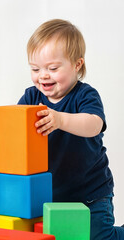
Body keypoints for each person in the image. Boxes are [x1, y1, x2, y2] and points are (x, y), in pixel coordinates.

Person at [17, 19, 124, 239]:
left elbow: (94, 124)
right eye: (35, 69)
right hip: (50, 196)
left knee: (97, 236)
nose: (43, 75)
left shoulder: (85, 95)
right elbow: (18, 126)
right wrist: (7, 128)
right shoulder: (31, 96)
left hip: (90, 194)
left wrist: (61, 120)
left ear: (77, 65)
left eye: (53, 68)